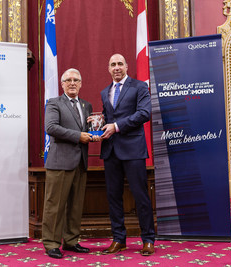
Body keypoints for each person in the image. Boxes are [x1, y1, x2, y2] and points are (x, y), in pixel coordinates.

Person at [100, 54, 155, 256]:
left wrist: (115, 126)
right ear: (108, 68)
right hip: (111, 151)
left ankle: (148, 239)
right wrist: (97, 121)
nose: (116, 67)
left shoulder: (139, 87)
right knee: (113, 197)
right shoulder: (105, 91)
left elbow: (144, 114)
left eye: (119, 64)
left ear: (126, 66)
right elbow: (109, 117)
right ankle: (119, 239)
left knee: (141, 197)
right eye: (112, 64)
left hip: (133, 151)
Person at [42, 68, 98, 259]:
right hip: (59, 163)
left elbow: (88, 130)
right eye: (68, 80)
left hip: (80, 163)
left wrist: (95, 129)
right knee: (55, 206)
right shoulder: (54, 103)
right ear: (62, 84)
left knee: (75, 206)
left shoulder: (86, 106)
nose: (72, 83)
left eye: (76, 80)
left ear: (81, 83)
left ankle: (71, 241)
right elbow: (51, 127)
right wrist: (78, 136)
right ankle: (51, 243)